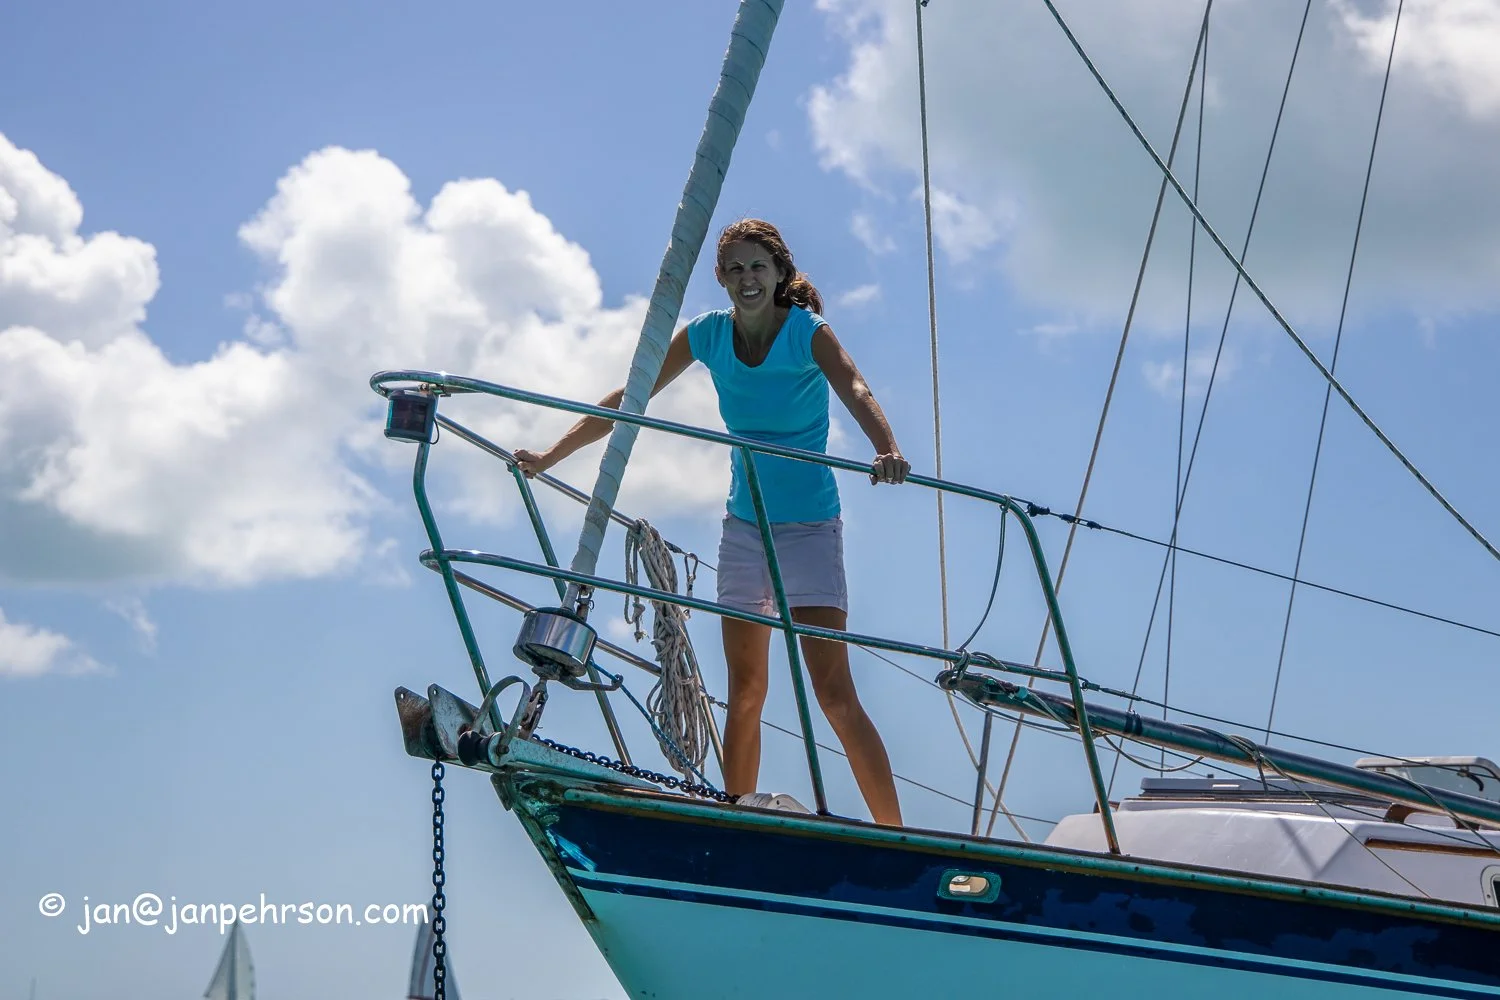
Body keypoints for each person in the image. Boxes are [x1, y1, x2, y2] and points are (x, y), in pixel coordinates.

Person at [515, 218, 906, 826]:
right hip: (744, 530)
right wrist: (547, 456)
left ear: (779, 274)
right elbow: (630, 397)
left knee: (834, 696)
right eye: (736, 269)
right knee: (746, 693)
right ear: (721, 279)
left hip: (809, 530)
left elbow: (854, 386)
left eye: (758, 267)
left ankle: (898, 837)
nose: (747, 279)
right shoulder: (706, 336)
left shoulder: (806, 330)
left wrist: (886, 446)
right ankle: (736, 821)